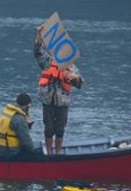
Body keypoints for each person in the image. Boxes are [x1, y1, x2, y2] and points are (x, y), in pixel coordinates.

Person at [34, 24, 83, 155]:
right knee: (48, 128)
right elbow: (37, 50)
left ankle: (57, 153)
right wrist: (39, 33)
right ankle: (49, 153)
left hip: (63, 102)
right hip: (48, 100)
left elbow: (80, 83)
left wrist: (75, 77)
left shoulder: (71, 66)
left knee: (60, 129)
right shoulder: (47, 62)